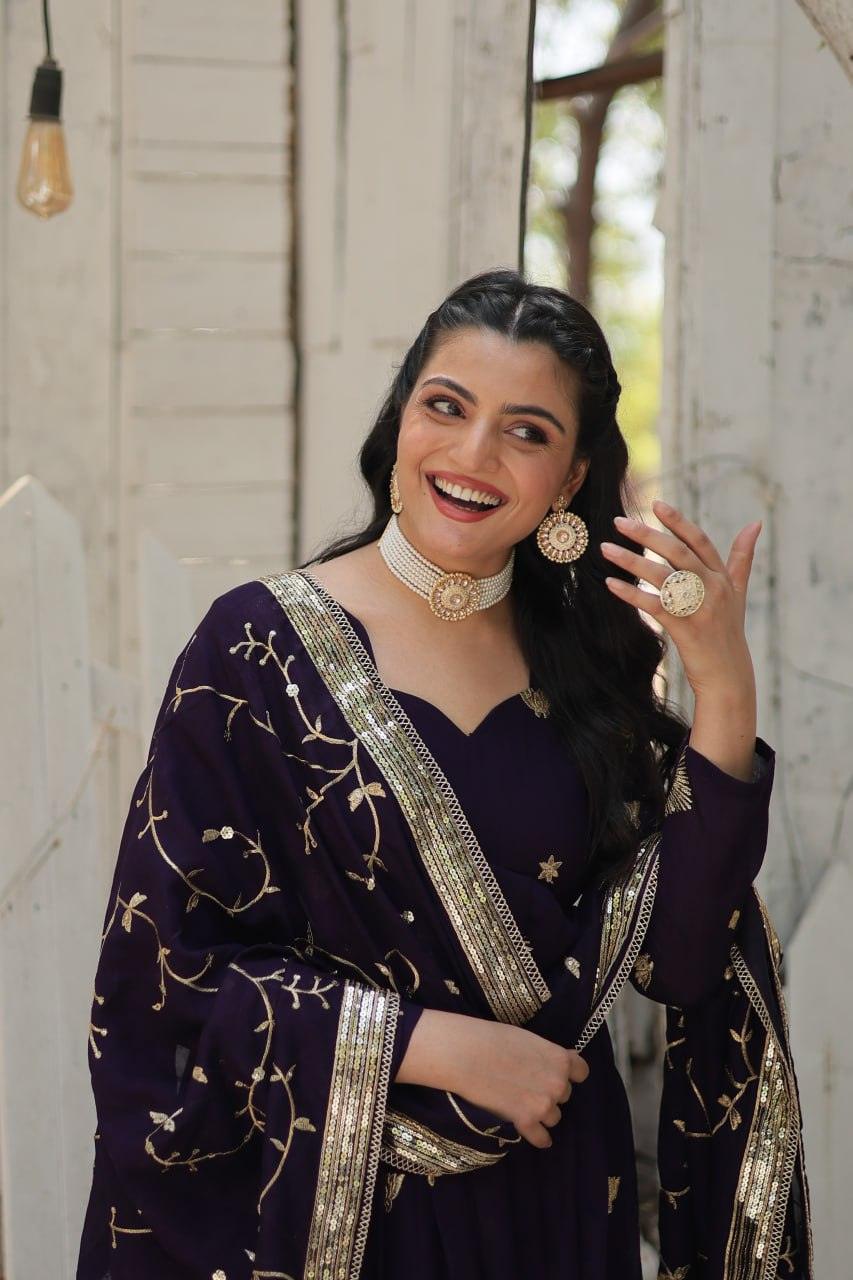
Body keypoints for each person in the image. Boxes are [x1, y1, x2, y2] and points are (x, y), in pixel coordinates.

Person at [76, 269, 812, 1280]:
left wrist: (723, 684)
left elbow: (682, 963)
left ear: (568, 479)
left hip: (555, 1205)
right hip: (343, 1220)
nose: (472, 455)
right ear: (401, 420)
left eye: (525, 431)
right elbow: (165, 980)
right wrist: (426, 1045)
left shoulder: (588, 675)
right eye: (447, 407)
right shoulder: (257, 652)